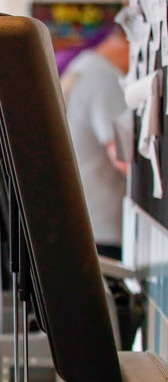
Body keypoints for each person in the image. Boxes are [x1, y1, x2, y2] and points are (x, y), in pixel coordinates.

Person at [60, 24, 129, 259]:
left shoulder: (81, 67)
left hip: (81, 221)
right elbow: (123, 157)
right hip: (103, 229)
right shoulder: (104, 78)